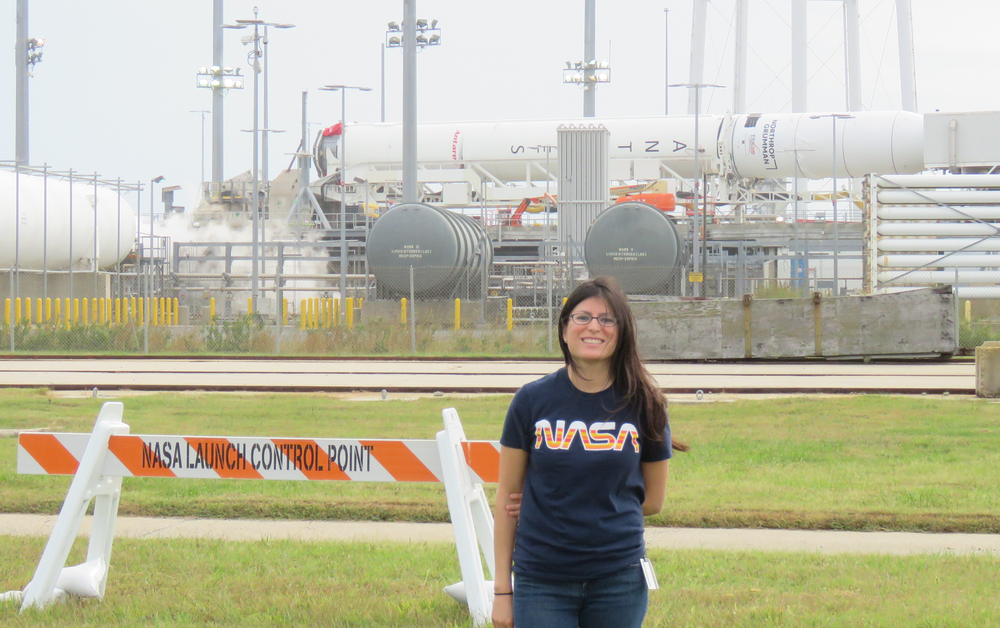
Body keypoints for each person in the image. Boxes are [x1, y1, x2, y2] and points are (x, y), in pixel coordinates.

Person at [492, 276, 686, 628]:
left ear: (622, 331)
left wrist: (571, 504)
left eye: (607, 319)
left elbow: (654, 502)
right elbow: (506, 500)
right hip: (542, 579)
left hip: (619, 579)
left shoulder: (645, 404)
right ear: (565, 329)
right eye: (582, 317)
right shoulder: (531, 401)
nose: (593, 326)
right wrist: (502, 591)